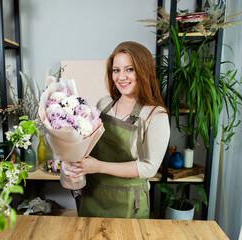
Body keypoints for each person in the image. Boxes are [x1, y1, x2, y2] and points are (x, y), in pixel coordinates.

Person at [66, 41, 170, 219]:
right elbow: (90, 145)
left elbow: (149, 168)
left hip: (128, 203)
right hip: (93, 195)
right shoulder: (104, 104)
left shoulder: (155, 115)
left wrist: (98, 166)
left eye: (129, 69)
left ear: (144, 71)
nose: (121, 77)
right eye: (116, 70)